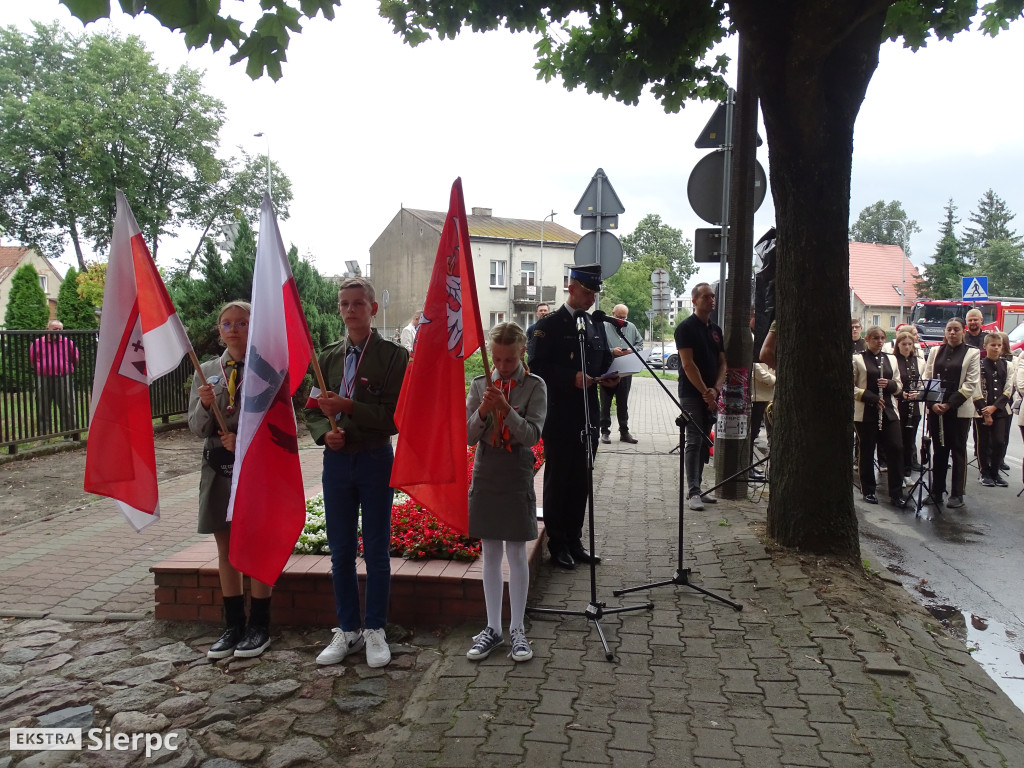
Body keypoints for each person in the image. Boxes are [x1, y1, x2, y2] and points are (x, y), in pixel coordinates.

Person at [306, 277, 409, 668]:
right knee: (341, 550)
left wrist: (349, 405)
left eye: (358, 304)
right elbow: (312, 408)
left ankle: (375, 629)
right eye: (344, 304)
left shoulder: (392, 356)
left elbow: (394, 417)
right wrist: (322, 435)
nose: (350, 310)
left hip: (374, 457)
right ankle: (347, 628)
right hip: (337, 462)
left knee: (377, 549)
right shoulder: (327, 356)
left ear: (373, 309)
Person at [188, 301, 274, 659]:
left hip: (255, 470)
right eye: (227, 323)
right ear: (219, 329)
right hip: (219, 469)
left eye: (242, 322)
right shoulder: (206, 370)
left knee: (256, 546)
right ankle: (233, 625)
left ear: (253, 326)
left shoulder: (267, 369)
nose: (234, 329)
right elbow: (194, 427)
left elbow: (282, 425)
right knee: (225, 549)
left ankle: (260, 627)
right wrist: (206, 405)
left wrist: (244, 441)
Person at [464, 322, 547, 663]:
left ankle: (517, 629)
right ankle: (492, 627)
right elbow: (468, 436)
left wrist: (506, 410)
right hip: (487, 471)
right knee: (490, 552)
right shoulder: (480, 383)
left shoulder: (535, 386)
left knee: (516, 550)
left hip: (516, 472)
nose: (502, 365)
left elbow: (531, 435)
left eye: (509, 359)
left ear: (522, 353)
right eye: (497, 359)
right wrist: (484, 409)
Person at [528, 263, 618, 570]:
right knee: (560, 480)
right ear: (572, 288)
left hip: (588, 411)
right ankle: (558, 543)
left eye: (595, 293)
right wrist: (571, 377)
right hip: (559, 413)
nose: (592, 299)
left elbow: (603, 358)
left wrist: (608, 375)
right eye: (587, 292)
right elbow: (536, 367)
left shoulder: (594, 324)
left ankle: (576, 540)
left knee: (581, 479)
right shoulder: (549, 325)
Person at [675, 282, 726, 510]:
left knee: (706, 440)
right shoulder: (685, 328)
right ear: (695, 301)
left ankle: (700, 487)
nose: (711, 300)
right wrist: (705, 391)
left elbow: (722, 362)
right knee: (693, 440)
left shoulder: (716, 331)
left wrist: (716, 389)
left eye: (713, 296)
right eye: (706, 297)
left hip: (711, 394)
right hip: (691, 393)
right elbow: (688, 364)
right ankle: (693, 492)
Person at [922, 317, 980, 509]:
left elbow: (970, 384)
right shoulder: (935, 351)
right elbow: (927, 377)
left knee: (957, 451)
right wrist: (932, 403)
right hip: (936, 409)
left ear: (963, 331)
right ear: (945, 332)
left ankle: (957, 493)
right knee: (939, 451)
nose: (952, 333)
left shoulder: (972, 353)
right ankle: (936, 491)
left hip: (958, 410)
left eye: (956, 329)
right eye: (949, 329)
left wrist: (948, 404)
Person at [853, 326, 906, 507]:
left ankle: (896, 493)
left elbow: (899, 385)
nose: (880, 341)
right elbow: (849, 386)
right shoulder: (858, 359)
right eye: (875, 338)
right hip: (866, 412)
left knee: (896, 448)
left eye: (882, 338)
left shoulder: (891, 359)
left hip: (889, 411)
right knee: (867, 451)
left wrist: (890, 384)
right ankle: (868, 490)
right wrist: (870, 397)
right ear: (867, 339)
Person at [599, 303, 643, 444]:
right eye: (619, 317)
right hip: (608, 369)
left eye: (624, 318)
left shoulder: (631, 327)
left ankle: (624, 432)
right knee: (605, 402)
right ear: (612, 314)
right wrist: (612, 350)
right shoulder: (603, 326)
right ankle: (604, 432)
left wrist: (632, 350)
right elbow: (598, 345)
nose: (622, 321)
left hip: (625, 369)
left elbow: (640, 343)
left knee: (623, 402)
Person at [29, 320, 79, 436]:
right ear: (47, 330)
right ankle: (44, 434)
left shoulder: (68, 343)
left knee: (67, 405)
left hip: (63, 377)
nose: (58, 332)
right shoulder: (37, 343)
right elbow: (32, 361)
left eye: (60, 329)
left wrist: (66, 369)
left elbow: (75, 359)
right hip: (43, 377)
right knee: (43, 405)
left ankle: (69, 433)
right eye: (55, 329)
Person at [974, 333, 1011, 488]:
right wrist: (985, 411)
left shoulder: (1007, 365)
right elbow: (976, 390)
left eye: (999, 345)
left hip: (1001, 409)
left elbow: (1008, 388)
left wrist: (995, 407)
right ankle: (985, 473)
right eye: (993, 345)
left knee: (999, 441)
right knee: (983, 442)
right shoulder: (979, 365)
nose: (996, 348)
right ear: (985, 347)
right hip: (981, 409)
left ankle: (995, 472)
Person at [894, 329, 923, 478]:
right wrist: (901, 393)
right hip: (898, 405)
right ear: (898, 345)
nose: (906, 347)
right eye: (903, 344)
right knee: (898, 443)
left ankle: (906, 473)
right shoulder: (893, 360)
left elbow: (923, 383)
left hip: (914, 407)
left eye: (909, 344)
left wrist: (918, 393)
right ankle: (898, 474)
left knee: (910, 442)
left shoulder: (918, 361)